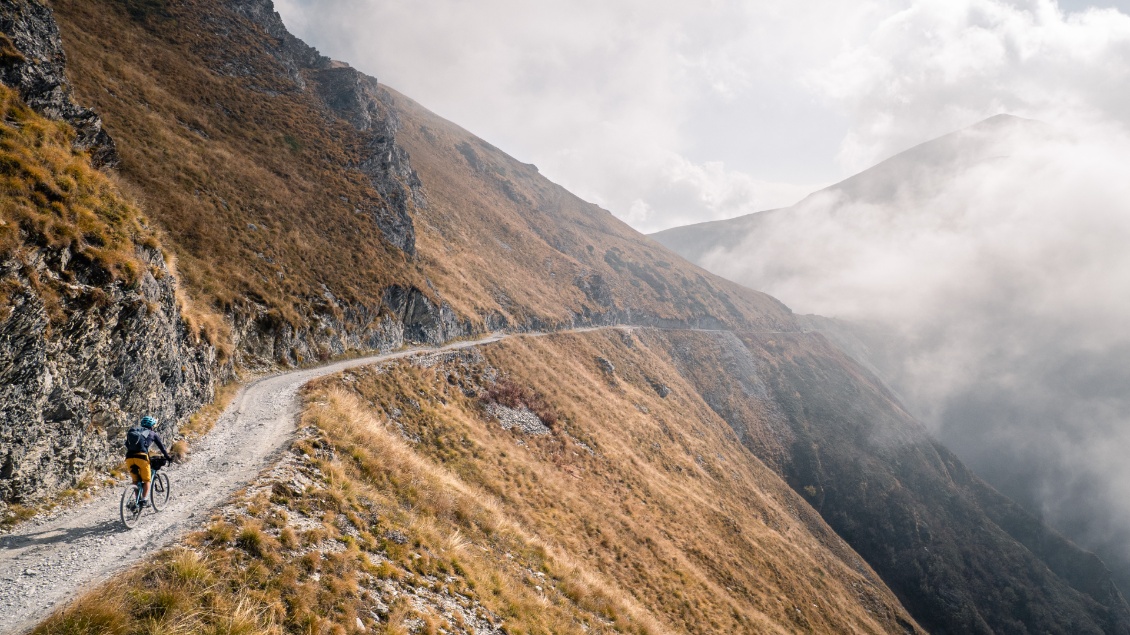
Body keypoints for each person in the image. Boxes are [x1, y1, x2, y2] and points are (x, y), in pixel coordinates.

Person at [123, 415, 172, 507]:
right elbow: (162, 448)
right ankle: (144, 500)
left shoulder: (135, 432)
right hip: (141, 458)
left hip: (129, 457)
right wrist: (168, 457)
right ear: (152, 425)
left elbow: (127, 444)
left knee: (135, 480)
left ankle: (137, 501)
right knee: (147, 480)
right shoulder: (151, 433)